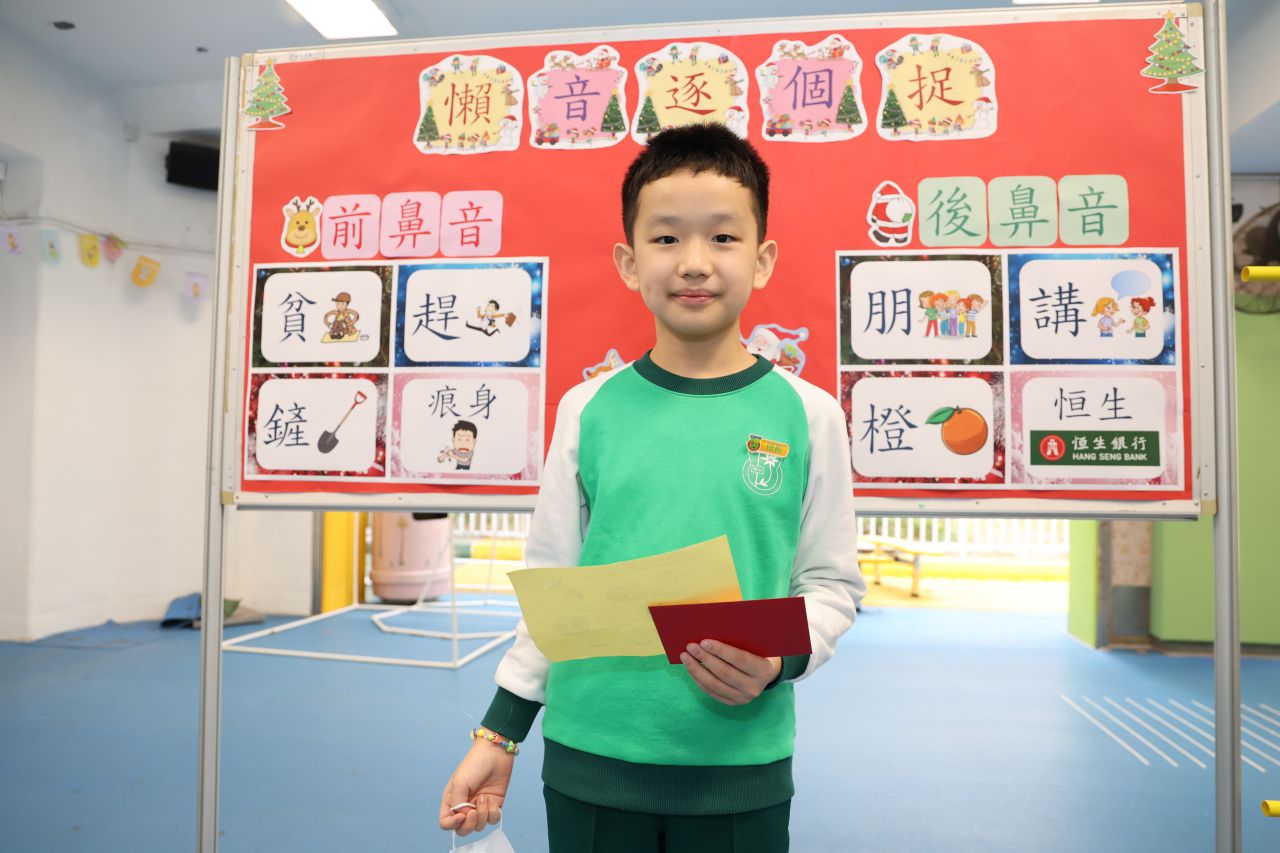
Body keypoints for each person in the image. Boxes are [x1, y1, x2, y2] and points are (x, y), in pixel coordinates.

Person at [437, 123, 865, 853]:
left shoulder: (810, 414)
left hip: (740, 769)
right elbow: (553, 588)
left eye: (723, 237)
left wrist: (779, 660)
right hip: (589, 766)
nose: (694, 263)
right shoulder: (588, 409)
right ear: (629, 263)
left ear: (762, 260)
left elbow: (831, 584)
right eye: (666, 239)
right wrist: (500, 732)